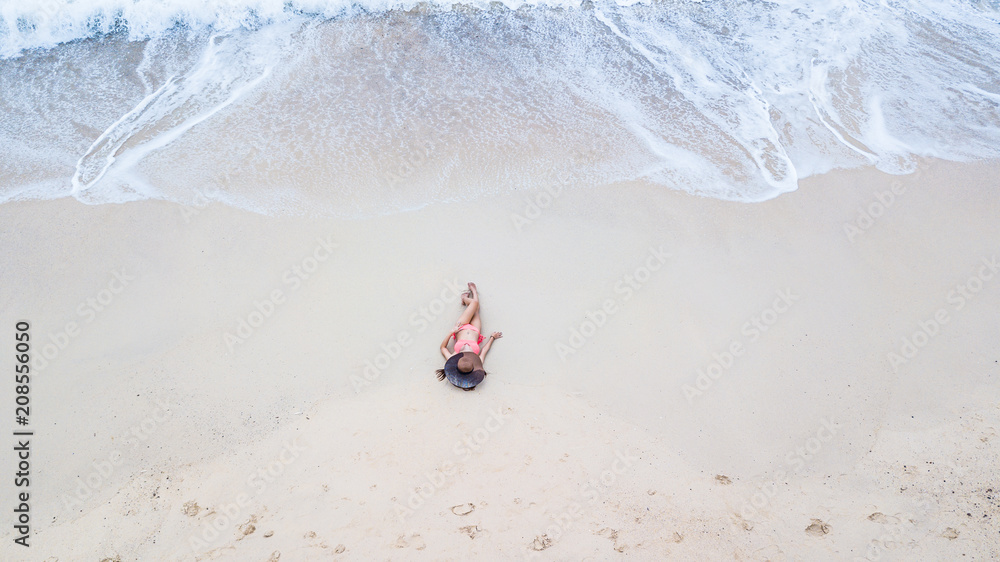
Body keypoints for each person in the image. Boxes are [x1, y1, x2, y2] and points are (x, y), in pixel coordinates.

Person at [437, 282, 502, 390]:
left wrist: (451, 331)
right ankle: (473, 293)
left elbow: (442, 348)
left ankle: (466, 298)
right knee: (476, 309)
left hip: (461, 326)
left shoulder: (452, 359)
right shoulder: (478, 362)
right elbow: (485, 350)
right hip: (475, 329)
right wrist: (492, 338)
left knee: (474, 303)